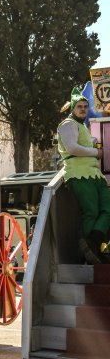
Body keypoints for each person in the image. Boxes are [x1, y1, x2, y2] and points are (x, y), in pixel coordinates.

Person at [57, 86, 110, 264]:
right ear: (73, 108)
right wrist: (96, 153)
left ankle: (93, 243)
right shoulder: (67, 124)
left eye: (85, 106)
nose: (83, 109)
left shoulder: (81, 126)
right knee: (91, 213)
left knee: (107, 208)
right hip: (79, 174)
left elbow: (85, 143)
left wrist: (94, 143)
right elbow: (72, 148)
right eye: (79, 106)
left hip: (95, 175)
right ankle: (91, 253)